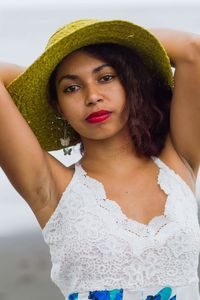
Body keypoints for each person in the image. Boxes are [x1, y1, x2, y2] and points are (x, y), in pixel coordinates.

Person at [0, 18, 200, 300]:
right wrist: (41, 75)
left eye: (106, 77)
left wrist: (107, 41)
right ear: (58, 107)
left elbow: (192, 50)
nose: (92, 96)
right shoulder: (52, 187)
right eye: (71, 88)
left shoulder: (178, 162)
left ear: (130, 84)